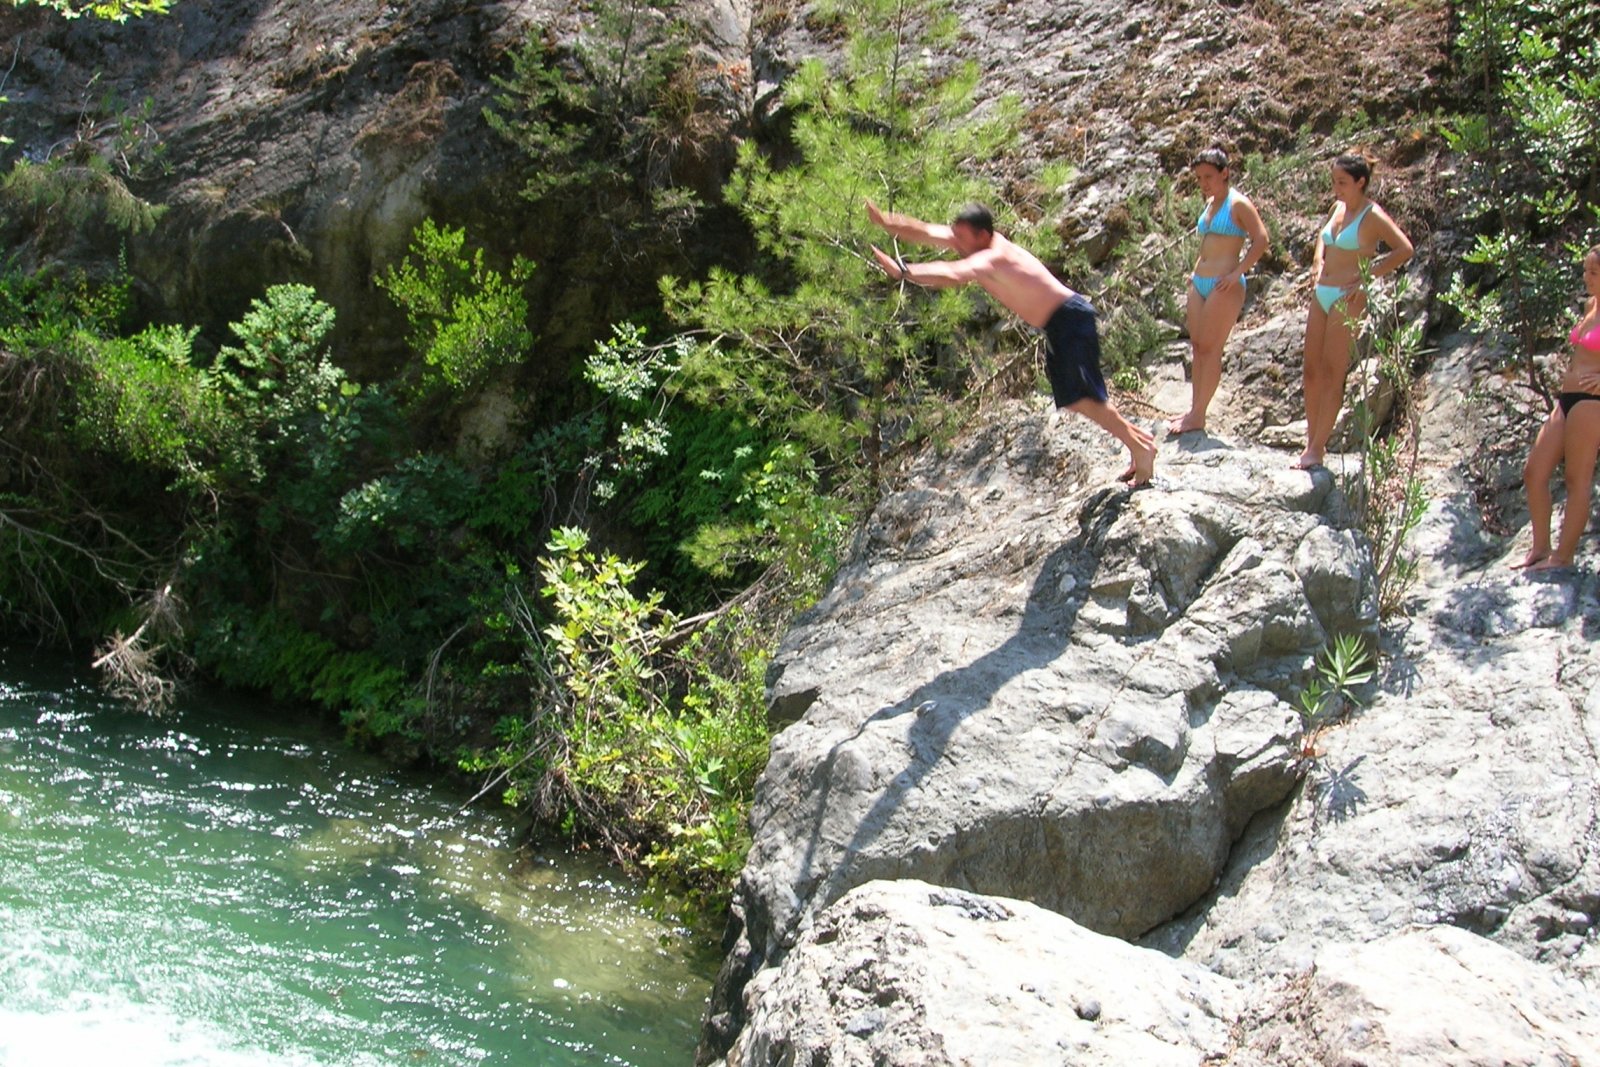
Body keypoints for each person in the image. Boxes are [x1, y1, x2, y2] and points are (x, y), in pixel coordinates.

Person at [864, 200, 1157, 485]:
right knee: (1078, 399)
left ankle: (1142, 450)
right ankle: (1140, 443)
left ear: (983, 236)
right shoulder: (973, 243)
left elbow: (953, 274)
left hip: (1070, 320)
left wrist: (904, 271)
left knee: (1086, 399)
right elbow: (926, 231)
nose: (957, 243)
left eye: (962, 238)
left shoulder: (992, 256)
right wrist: (886, 222)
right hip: (1058, 324)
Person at [1298, 153, 1414, 470]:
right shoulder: (1338, 208)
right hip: (1322, 291)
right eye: (1334, 181)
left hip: (1348, 297)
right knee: (1311, 369)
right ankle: (1310, 439)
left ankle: (1317, 448)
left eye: (1342, 183)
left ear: (1360, 182)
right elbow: (1324, 240)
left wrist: (1368, 274)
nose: (1336, 188)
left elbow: (1404, 249)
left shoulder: (1372, 215)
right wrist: (1317, 262)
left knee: (1334, 371)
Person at [1170, 145, 1269, 435]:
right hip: (1200, 281)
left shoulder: (1238, 204)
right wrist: (1194, 271)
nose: (1204, 183)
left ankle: (1199, 414)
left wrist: (1238, 271)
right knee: (1198, 347)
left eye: (1209, 177)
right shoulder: (1210, 204)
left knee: (1211, 349)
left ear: (1225, 173)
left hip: (1224, 284)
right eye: (1199, 178)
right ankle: (1193, 409)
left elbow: (1261, 239)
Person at [1520, 246, 1600, 571]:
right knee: (1534, 470)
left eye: (1593, 272)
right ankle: (1540, 548)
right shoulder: (1591, 306)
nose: (1587, 277)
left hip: (1591, 404)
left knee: (1576, 480)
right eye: (1585, 271)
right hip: (1567, 400)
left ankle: (1562, 558)